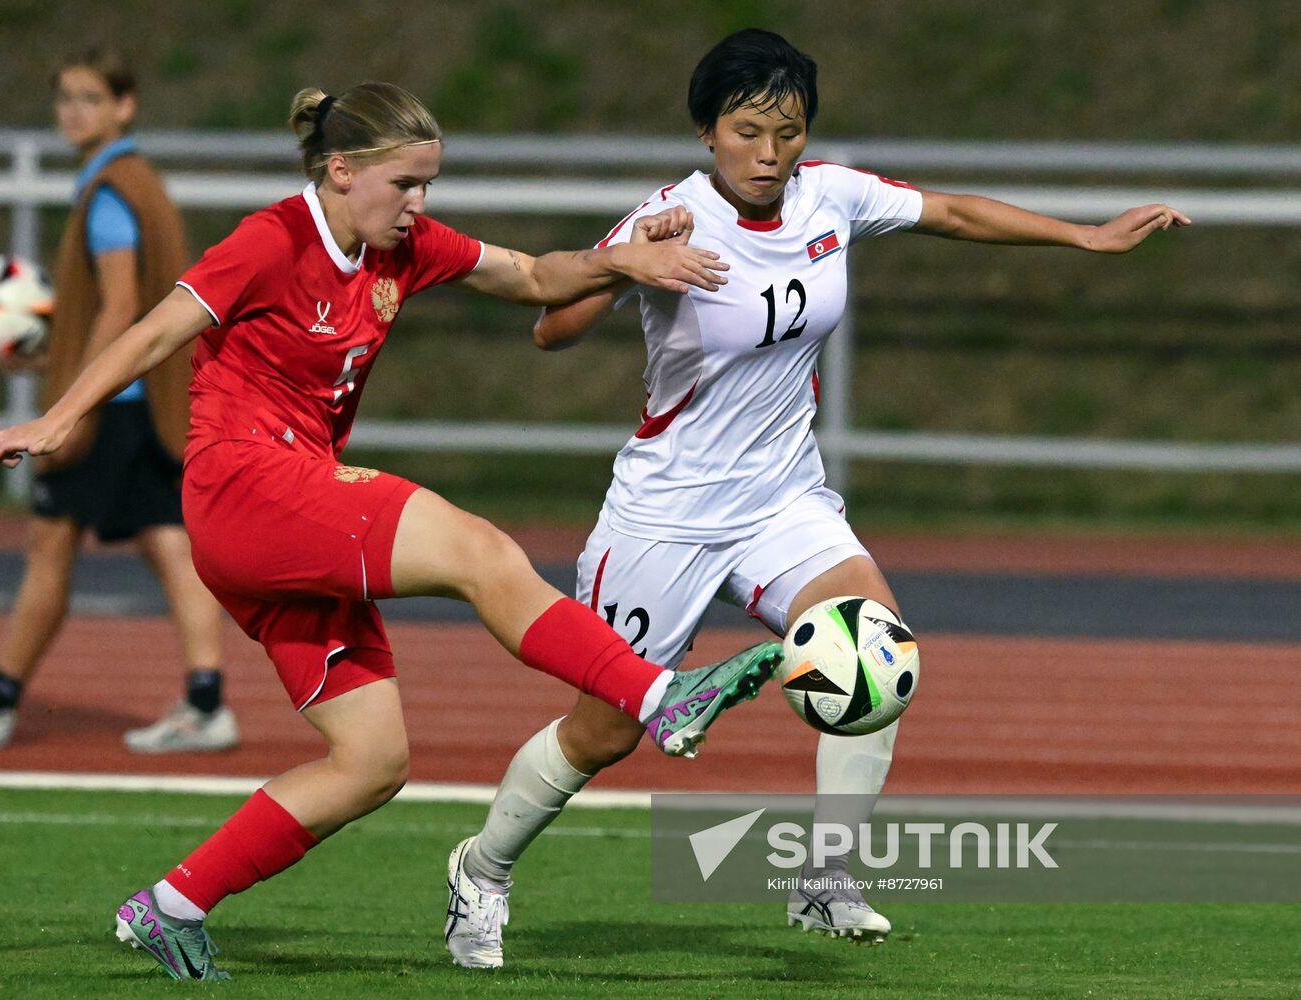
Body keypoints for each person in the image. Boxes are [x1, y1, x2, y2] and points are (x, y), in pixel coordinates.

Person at [0, 80, 783, 981]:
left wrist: (623, 261)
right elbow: (155, 328)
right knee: (476, 549)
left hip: (289, 513)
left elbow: (530, 277)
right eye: (404, 184)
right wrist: (55, 418)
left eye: (428, 185)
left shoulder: (406, 249)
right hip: (245, 487)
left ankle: (168, 907)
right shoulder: (272, 240)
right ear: (340, 169)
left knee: (371, 763)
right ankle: (658, 699)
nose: (419, 205)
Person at [445, 27, 1190, 967]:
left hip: (780, 501)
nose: (769, 153)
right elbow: (553, 331)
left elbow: (952, 214)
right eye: (748, 130)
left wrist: (1083, 235)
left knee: (874, 648)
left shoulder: (829, 195)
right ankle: (482, 867)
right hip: (666, 515)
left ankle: (826, 878)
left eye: (787, 132)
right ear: (707, 132)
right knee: (608, 731)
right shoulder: (668, 216)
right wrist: (629, 260)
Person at [0, 47, 238, 753]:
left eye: (90, 98)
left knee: (51, 545)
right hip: (150, 398)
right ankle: (206, 700)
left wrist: (69, 398)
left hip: (114, 408)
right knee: (168, 543)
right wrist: (53, 347)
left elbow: (122, 304)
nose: (73, 111)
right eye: (65, 97)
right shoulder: (143, 182)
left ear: (124, 106)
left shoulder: (108, 194)